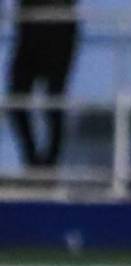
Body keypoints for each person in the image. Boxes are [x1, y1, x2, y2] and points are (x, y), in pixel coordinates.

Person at [7, 0, 79, 167]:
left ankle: (49, 163)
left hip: (60, 22)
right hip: (29, 24)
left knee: (54, 97)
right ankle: (33, 160)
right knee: (16, 97)